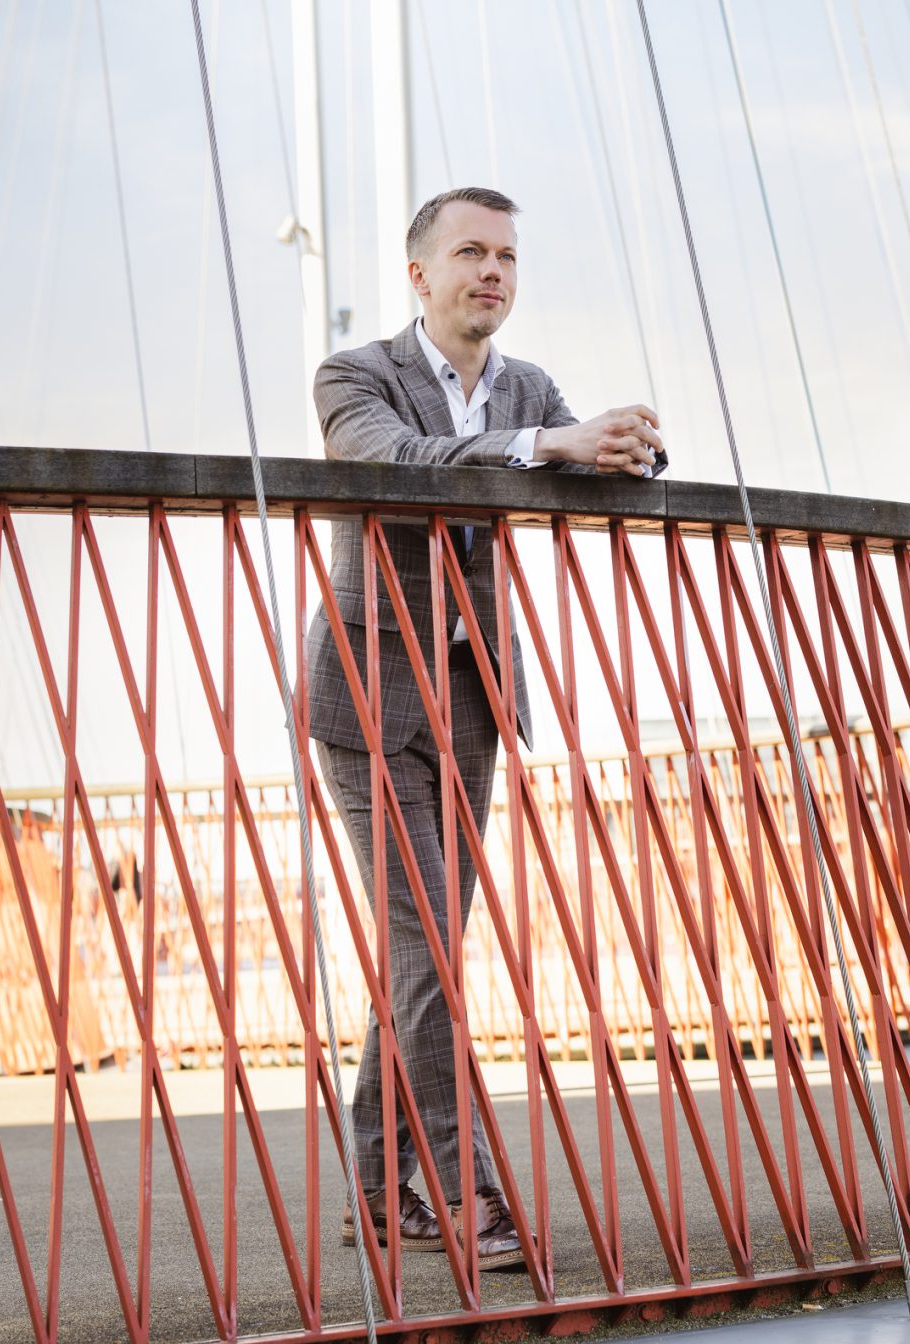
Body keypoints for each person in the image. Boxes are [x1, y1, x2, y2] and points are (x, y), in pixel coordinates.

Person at [305, 186, 665, 1271]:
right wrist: (550, 443)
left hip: (472, 693)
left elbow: (581, 460)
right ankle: (466, 1191)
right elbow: (390, 464)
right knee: (425, 943)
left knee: (424, 950)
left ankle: (381, 1195)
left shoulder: (526, 385)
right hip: (367, 687)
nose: (493, 272)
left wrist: (628, 449)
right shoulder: (355, 375)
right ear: (420, 274)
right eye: (471, 252)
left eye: (506, 255)